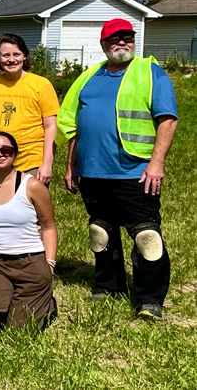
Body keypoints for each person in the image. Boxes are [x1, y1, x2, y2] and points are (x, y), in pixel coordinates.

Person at [58, 18, 178, 319]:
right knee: (101, 232)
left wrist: (156, 164)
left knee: (146, 237)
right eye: (114, 39)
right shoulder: (89, 76)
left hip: (135, 171)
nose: (121, 43)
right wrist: (71, 165)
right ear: (103, 44)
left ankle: (150, 299)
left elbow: (168, 119)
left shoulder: (150, 73)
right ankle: (109, 287)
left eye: (127, 37)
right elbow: (71, 123)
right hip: (93, 171)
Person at [0, 131, 58, 330]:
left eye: (6, 150)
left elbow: (48, 226)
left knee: (20, 328)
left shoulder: (32, 185)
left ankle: (47, 304)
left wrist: (49, 264)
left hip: (30, 261)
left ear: (15, 154)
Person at [0, 34, 60, 184]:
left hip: (31, 163)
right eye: (5, 55)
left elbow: (51, 127)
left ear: (24, 56)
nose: (11, 59)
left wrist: (47, 164)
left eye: (16, 54)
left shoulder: (41, 85)